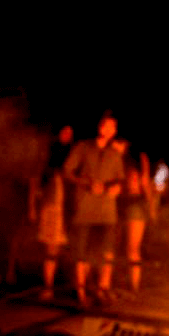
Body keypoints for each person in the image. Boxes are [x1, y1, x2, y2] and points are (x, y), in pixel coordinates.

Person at [62, 111, 125, 306]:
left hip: (107, 210)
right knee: (82, 252)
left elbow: (120, 178)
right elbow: (67, 171)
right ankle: (81, 291)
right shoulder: (83, 147)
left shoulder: (115, 153)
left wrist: (117, 187)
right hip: (85, 208)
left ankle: (102, 288)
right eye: (107, 126)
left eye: (114, 127)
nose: (111, 130)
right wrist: (86, 183)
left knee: (107, 251)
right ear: (100, 127)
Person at [32, 124, 74, 301]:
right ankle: (47, 286)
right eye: (64, 131)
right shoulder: (48, 156)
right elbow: (35, 182)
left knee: (68, 249)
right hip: (51, 207)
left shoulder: (74, 156)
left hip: (69, 207)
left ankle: (70, 287)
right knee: (51, 248)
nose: (67, 135)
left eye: (70, 133)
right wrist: (32, 207)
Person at [117, 142, 153, 294]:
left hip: (133, 204)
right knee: (130, 248)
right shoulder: (123, 159)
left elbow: (144, 182)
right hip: (128, 203)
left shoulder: (137, 159)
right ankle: (132, 285)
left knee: (132, 248)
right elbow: (144, 183)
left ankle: (134, 286)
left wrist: (150, 206)